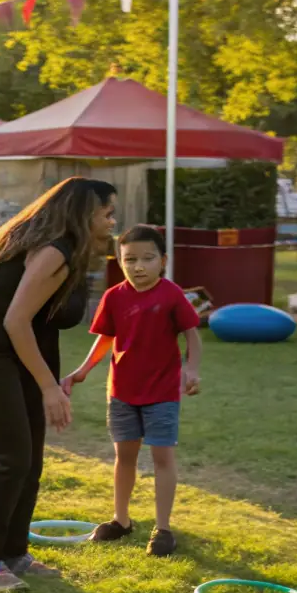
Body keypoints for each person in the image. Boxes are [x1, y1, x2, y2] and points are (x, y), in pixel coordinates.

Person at [0, 177, 118, 590]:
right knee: (12, 456)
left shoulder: (70, 254)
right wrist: (47, 388)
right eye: (107, 214)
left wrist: (51, 381)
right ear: (83, 215)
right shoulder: (54, 252)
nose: (113, 223)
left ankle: (13, 552)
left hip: (11, 345)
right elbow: (15, 320)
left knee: (31, 456)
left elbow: (41, 327)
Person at [62, 225, 202, 557]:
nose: (138, 266)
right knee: (124, 458)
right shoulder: (114, 297)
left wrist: (192, 368)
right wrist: (82, 371)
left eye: (147, 259)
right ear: (120, 261)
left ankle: (163, 528)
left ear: (163, 261)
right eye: (130, 259)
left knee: (162, 458)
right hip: (122, 392)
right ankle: (121, 520)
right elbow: (106, 338)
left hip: (163, 393)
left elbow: (192, 335)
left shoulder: (171, 295)